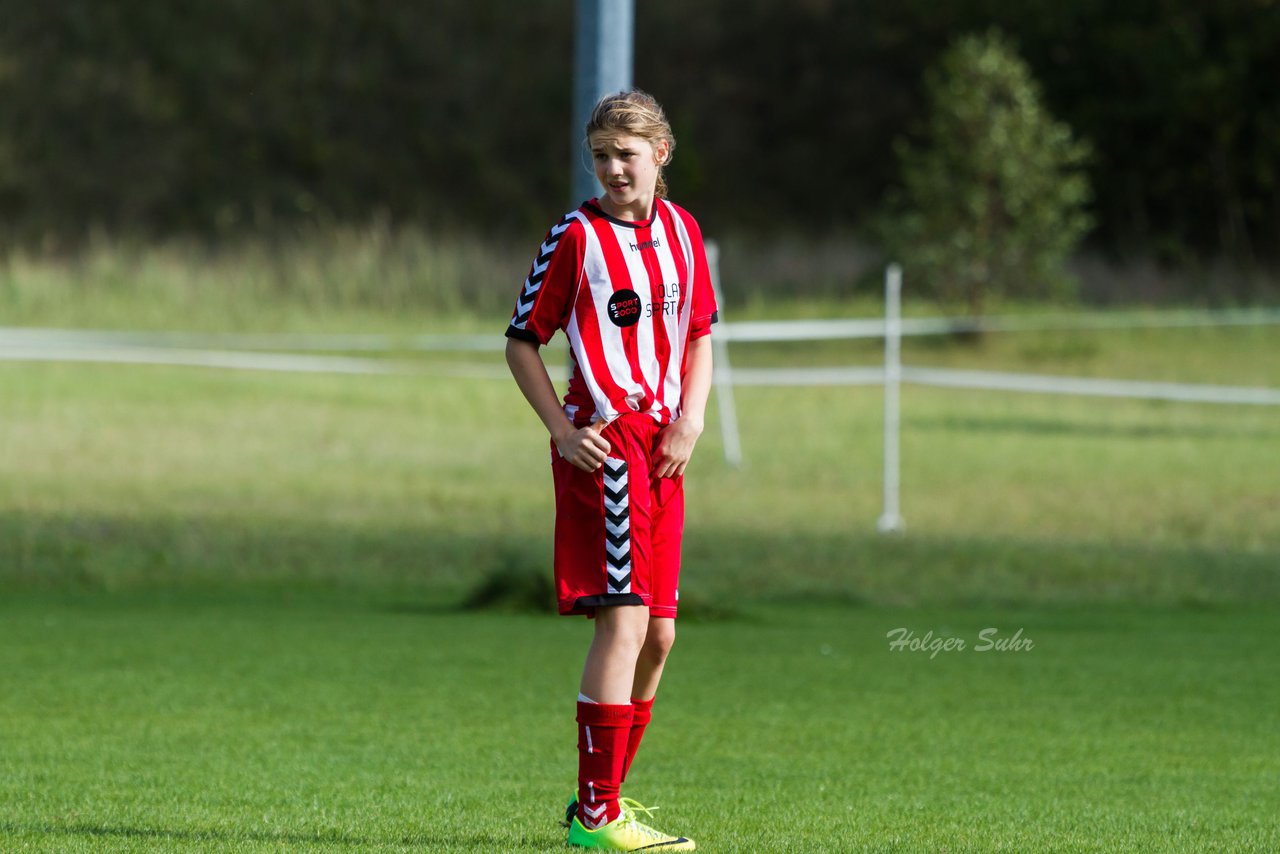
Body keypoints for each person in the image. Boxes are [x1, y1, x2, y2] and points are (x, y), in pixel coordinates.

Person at [505, 89, 715, 852]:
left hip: (665, 446)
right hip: (608, 448)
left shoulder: (686, 233)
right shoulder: (575, 236)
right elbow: (521, 340)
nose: (612, 168)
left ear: (661, 154)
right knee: (623, 622)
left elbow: (700, 334)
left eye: (626, 153)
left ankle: (601, 802)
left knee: (660, 637)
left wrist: (691, 419)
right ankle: (598, 819)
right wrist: (563, 432)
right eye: (600, 155)